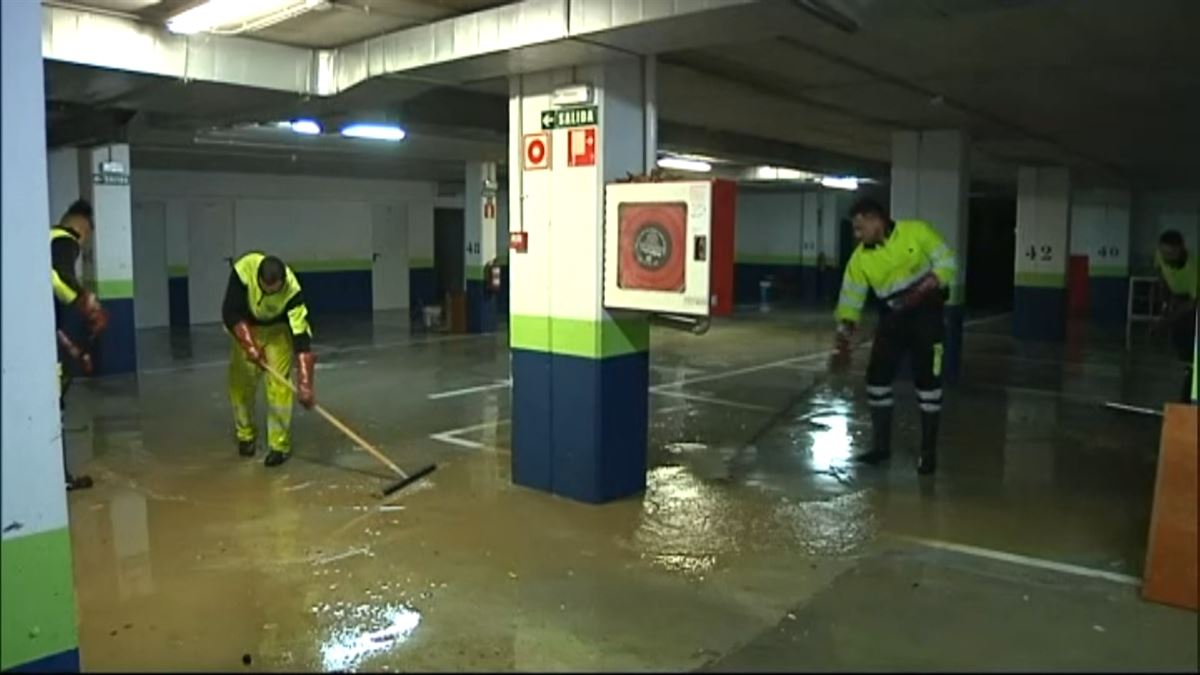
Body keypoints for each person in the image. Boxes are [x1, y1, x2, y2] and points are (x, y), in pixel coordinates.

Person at [832, 198, 957, 476]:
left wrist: (922, 289)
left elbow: (947, 262)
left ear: (876, 220)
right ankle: (881, 448)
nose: (857, 235)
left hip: (928, 314)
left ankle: (928, 453)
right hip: (892, 318)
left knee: (928, 383)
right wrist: (843, 340)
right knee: (876, 379)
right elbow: (850, 300)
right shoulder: (860, 259)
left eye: (859, 228)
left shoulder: (917, 232)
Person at [222, 252, 317, 467]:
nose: (271, 294)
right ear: (259, 280)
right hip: (246, 327)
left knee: (279, 386)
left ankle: (279, 446)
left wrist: (305, 382)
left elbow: (301, 336)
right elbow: (230, 313)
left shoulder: (293, 290)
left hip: (278, 332)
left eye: (276, 291)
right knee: (240, 383)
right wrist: (250, 345)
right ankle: (245, 436)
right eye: (267, 289)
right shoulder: (244, 270)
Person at [51, 198, 109, 491]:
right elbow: (59, 277)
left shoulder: (44, 238)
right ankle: (58, 479)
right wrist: (87, 302)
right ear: (83, 229)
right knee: (53, 404)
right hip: (44, 344)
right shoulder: (64, 240)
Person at [1152, 230, 1198, 402]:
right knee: (1178, 340)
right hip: (1176, 295)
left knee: (1188, 337)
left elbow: (1192, 304)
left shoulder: (1193, 267)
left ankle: (1191, 380)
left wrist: (1166, 321)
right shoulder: (1160, 255)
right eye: (1163, 253)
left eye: (1171, 254)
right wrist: (1164, 302)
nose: (1166, 257)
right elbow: (1160, 273)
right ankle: (1188, 365)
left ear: (1181, 249)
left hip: (1192, 301)